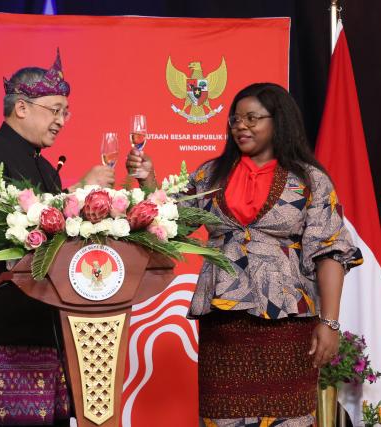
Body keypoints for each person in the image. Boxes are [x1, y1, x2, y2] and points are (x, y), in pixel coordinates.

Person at [126, 82, 363, 426]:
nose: (241, 126)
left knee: (289, 418)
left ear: (278, 121)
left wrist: (329, 322)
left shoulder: (309, 180)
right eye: (236, 119)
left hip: (287, 325)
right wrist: (148, 182)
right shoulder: (210, 175)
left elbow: (329, 253)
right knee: (223, 418)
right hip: (225, 327)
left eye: (253, 118)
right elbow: (170, 223)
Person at [0, 50, 114, 426]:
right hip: (3, 321)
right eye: (55, 109)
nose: (61, 121)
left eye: (66, 112)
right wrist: (79, 191)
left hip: (52, 320)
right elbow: (8, 227)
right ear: (22, 107)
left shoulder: (45, 166)